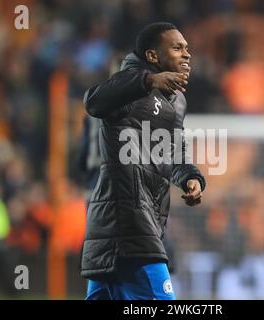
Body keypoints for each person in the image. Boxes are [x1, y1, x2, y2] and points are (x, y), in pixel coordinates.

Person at [81, 22, 206, 300]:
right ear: (152, 56)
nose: (187, 54)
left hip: (125, 227)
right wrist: (148, 81)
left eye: (187, 48)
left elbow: (174, 153)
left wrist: (191, 177)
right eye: (177, 48)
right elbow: (93, 101)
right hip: (130, 223)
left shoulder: (177, 101)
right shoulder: (131, 84)